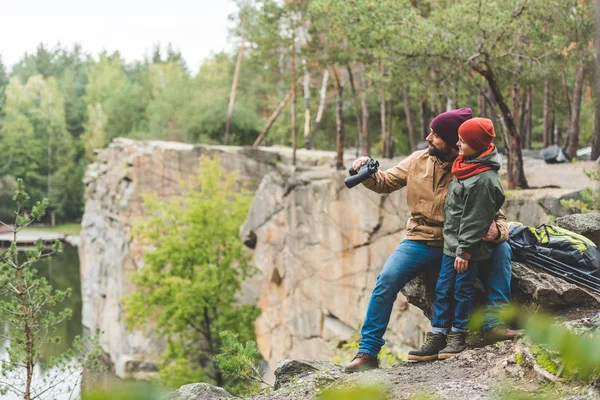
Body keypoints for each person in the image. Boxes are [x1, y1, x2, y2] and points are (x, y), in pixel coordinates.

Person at [344, 108, 520, 373]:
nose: (428, 138)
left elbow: (493, 212)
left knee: (502, 249)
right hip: (421, 239)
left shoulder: (474, 167)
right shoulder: (418, 160)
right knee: (387, 279)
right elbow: (385, 181)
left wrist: (500, 231)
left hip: (461, 241)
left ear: (453, 142)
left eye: (435, 135)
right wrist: (365, 169)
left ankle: (494, 325)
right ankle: (368, 352)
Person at [408, 117, 505, 361]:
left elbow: (475, 221)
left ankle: (457, 336)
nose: (458, 144)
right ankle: (438, 334)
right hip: (451, 245)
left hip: (465, 250)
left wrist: (464, 252)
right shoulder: (465, 165)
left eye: (463, 141)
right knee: (443, 289)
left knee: (463, 291)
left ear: (476, 144)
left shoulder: (483, 178)